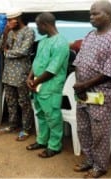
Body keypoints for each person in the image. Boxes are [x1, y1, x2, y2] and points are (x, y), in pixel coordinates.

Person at [72, 1, 111, 178]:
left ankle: (100, 166)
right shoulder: (90, 35)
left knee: (99, 133)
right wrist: (79, 85)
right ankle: (89, 160)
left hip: (101, 95)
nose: (91, 17)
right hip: (83, 93)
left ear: (108, 15)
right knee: (83, 129)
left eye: (96, 14)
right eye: (90, 14)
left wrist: (84, 84)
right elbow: (78, 61)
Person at [26, 12, 69, 158]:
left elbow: (52, 69)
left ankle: (54, 146)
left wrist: (36, 81)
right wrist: (30, 77)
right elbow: (36, 61)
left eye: (38, 26)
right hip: (38, 85)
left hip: (51, 85)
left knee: (52, 116)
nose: (37, 29)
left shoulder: (61, 43)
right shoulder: (43, 41)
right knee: (41, 114)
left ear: (45, 25)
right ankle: (42, 140)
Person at [0, 10, 34, 141]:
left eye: (10, 20)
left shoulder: (29, 32)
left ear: (18, 19)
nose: (8, 23)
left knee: (24, 102)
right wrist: (6, 32)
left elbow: (24, 51)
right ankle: (13, 124)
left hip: (21, 73)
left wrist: (8, 53)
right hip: (8, 73)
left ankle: (26, 128)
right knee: (10, 101)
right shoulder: (10, 32)